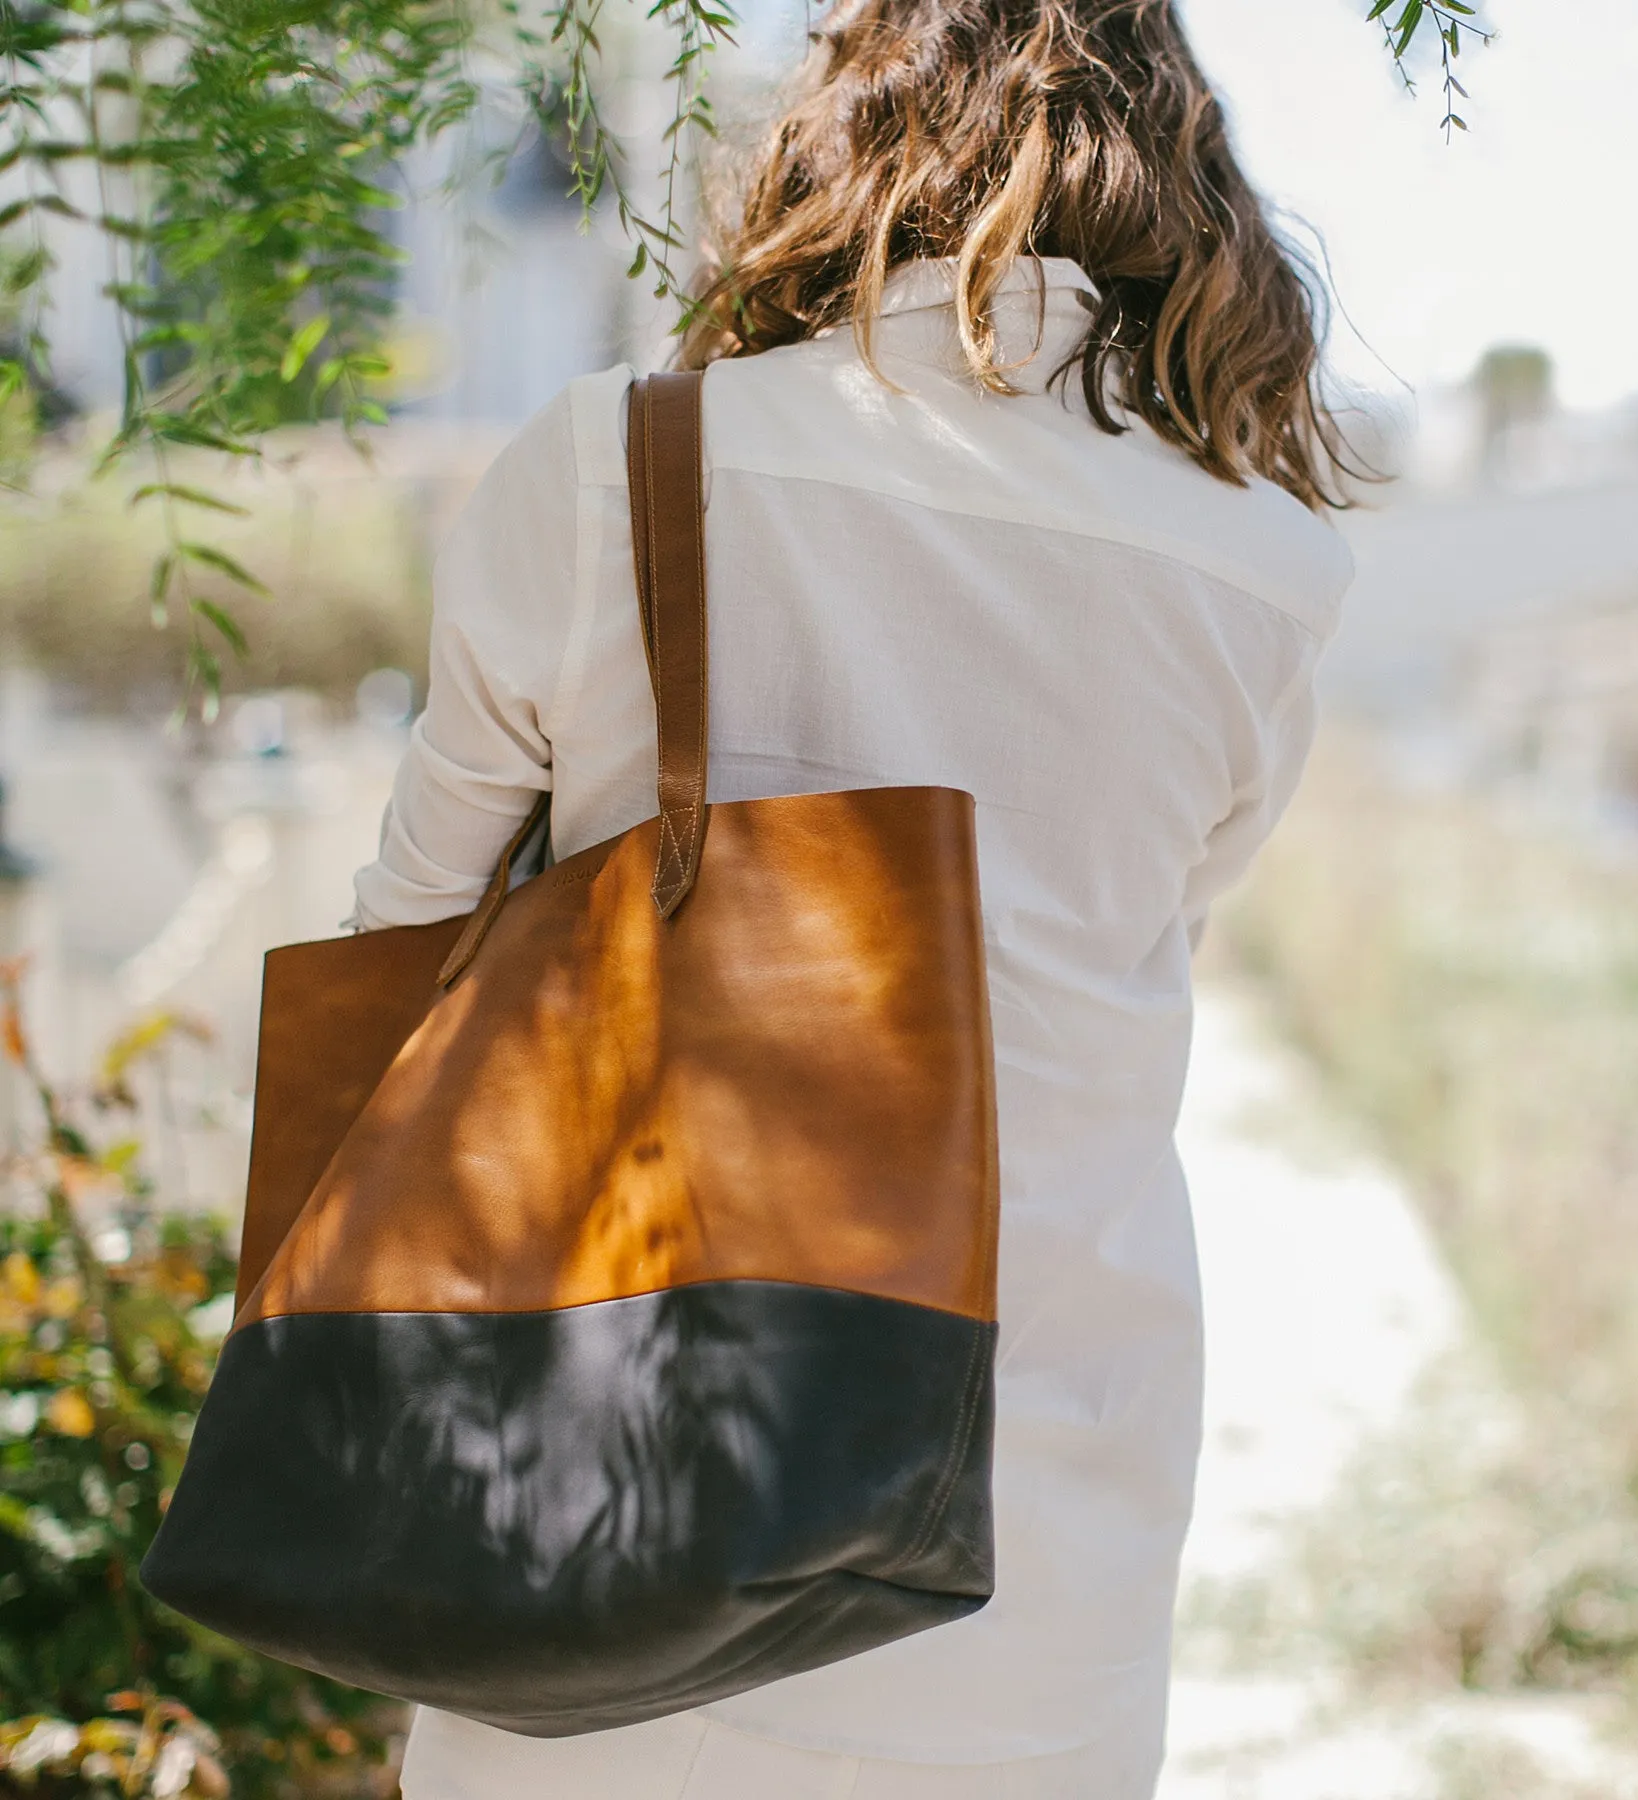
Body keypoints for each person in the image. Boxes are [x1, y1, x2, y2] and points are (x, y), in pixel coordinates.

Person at [354, 1, 1355, 1794]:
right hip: (1024, 1545)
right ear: (1184, 186)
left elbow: (399, 967)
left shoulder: (614, 467)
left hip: (591, 1511)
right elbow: (1141, 953)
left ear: (840, 148)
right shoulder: (1269, 572)